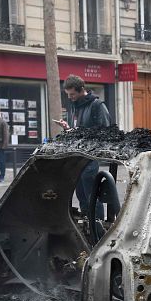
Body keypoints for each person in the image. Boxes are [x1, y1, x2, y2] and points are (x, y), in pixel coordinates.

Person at [59, 74, 111, 214]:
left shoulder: (97, 105)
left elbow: (106, 131)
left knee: (91, 196)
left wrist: (83, 133)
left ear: (82, 89)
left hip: (90, 157)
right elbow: (78, 129)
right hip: (77, 157)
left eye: (72, 94)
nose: (70, 97)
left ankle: (98, 227)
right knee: (81, 195)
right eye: (68, 95)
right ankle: (88, 226)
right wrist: (68, 129)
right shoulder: (75, 106)